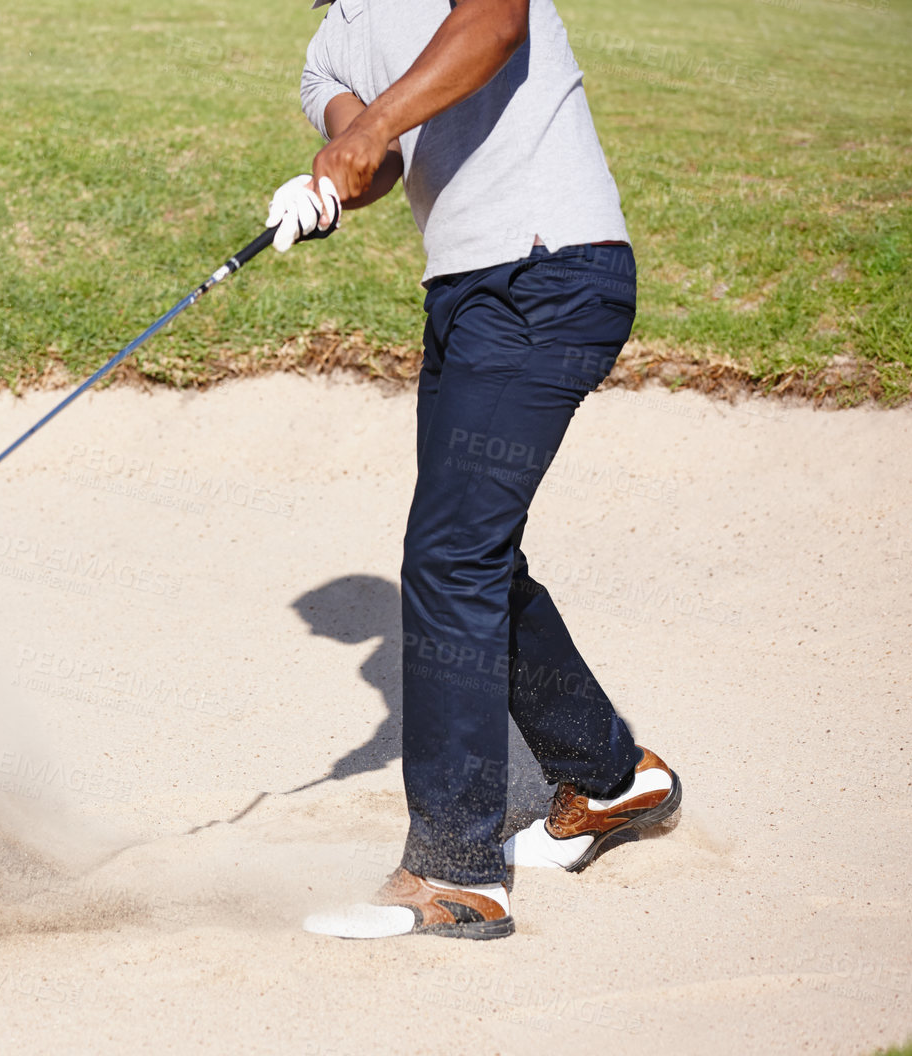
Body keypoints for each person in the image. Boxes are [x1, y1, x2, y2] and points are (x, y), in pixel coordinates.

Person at [273, 0, 683, 939]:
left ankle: (458, 872)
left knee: (450, 556)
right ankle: (613, 778)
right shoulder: (327, 50)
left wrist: (371, 127)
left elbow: (494, 25)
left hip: (553, 273)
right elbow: (364, 153)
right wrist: (326, 190)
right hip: (466, 296)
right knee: (474, 554)